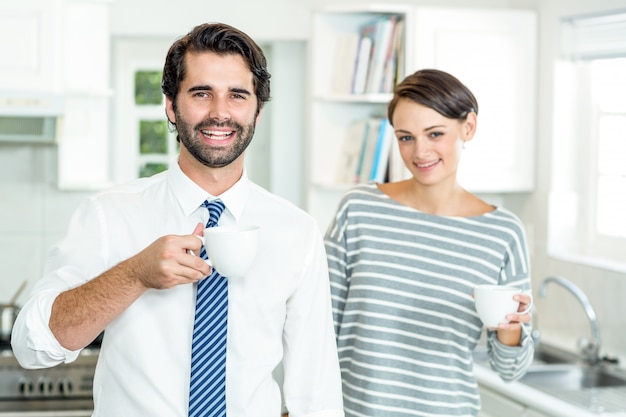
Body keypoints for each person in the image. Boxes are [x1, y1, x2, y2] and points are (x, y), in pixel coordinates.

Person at [11, 22, 344, 417]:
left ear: (257, 109)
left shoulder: (297, 232)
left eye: (237, 95)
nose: (220, 113)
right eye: (201, 93)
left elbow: (316, 391)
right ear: (171, 105)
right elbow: (32, 347)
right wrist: (134, 274)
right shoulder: (107, 215)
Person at [324, 69, 534, 416]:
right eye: (406, 137)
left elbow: (510, 370)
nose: (420, 152)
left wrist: (510, 331)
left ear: (468, 127)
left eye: (435, 134)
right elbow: (321, 326)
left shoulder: (503, 232)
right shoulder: (359, 207)